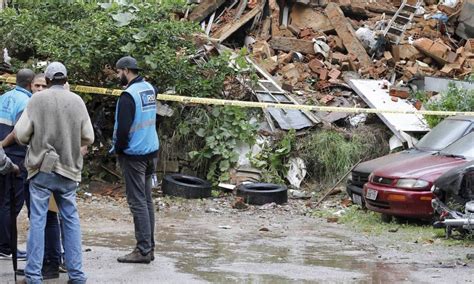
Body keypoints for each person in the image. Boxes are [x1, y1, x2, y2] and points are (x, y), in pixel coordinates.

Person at [15, 62, 94, 283]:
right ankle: (77, 275)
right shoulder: (77, 101)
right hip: (69, 169)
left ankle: (33, 276)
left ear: (47, 81)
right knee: (71, 220)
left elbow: (21, 135)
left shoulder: (37, 99)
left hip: (42, 170)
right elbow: (88, 137)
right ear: (65, 79)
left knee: (38, 221)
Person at [15, 73, 63, 280]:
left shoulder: (47, 106)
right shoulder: (36, 104)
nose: (40, 89)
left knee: (47, 217)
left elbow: (21, 134)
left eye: (44, 85)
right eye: (37, 85)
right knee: (39, 216)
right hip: (41, 166)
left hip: (48, 167)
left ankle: (50, 263)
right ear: (30, 86)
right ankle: (45, 261)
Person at [113, 56, 159, 264]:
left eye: (118, 72)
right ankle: (149, 247)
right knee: (146, 200)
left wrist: (119, 150)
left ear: (125, 70)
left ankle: (142, 250)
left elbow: (123, 130)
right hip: (151, 152)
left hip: (134, 155)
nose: (117, 76)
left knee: (137, 202)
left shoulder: (127, 96)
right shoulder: (149, 88)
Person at [0, 68, 35, 260]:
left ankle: (4, 244)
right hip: (15, 155)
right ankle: (6, 246)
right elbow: (19, 133)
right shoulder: (27, 102)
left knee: (3, 200)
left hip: (1, 155)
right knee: (12, 203)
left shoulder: (4, 97)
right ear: (30, 84)